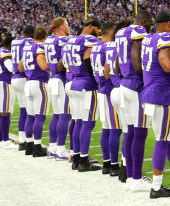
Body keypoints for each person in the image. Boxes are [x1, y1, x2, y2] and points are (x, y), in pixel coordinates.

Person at [141, 11, 170, 196]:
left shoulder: (148, 39)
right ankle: (156, 186)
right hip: (161, 93)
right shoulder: (165, 38)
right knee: (163, 139)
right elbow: (167, 65)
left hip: (153, 91)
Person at [112, 11, 153, 189]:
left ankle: (130, 177)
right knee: (140, 131)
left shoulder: (121, 32)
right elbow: (136, 59)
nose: (150, 28)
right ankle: (136, 178)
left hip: (124, 85)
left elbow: (116, 64)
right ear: (143, 22)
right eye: (149, 24)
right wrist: (144, 75)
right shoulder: (137, 30)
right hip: (135, 86)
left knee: (129, 131)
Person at [64, 17, 103, 171]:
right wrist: (96, 79)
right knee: (87, 123)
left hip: (74, 82)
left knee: (78, 122)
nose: (99, 32)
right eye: (97, 29)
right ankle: (83, 161)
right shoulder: (89, 40)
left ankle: (76, 158)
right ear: (91, 26)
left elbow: (66, 64)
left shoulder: (71, 41)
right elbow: (88, 59)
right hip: (86, 85)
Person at [91, 21, 120, 173]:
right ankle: (114, 165)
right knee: (114, 128)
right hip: (109, 89)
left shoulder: (95, 47)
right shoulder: (107, 46)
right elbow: (108, 72)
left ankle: (107, 163)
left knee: (106, 128)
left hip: (101, 89)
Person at [45, 18, 72, 160]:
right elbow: (64, 60)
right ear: (61, 27)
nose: (69, 27)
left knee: (56, 114)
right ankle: (60, 149)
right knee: (64, 114)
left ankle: (52, 147)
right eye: (67, 25)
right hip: (60, 79)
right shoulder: (63, 40)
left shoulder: (49, 40)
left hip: (52, 78)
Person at [22, 27, 50, 157]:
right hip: (39, 83)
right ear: (45, 35)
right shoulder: (40, 47)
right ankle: (37, 147)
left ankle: (29, 145)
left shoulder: (27, 47)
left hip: (28, 83)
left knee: (30, 115)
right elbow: (43, 66)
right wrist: (53, 65)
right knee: (39, 116)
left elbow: (20, 67)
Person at [11, 26, 34, 151]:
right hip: (23, 78)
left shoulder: (15, 41)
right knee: (29, 112)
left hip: (15, 78)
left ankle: (21, 140)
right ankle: (28, 141)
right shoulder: (28, 42)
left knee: (23, 110)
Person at [0, 35, 15, 149]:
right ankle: (5, 140)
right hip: (4, 83)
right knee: (5, 113)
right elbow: (10, 68)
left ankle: (1, 139)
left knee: (0, 112)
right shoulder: (5, 52)